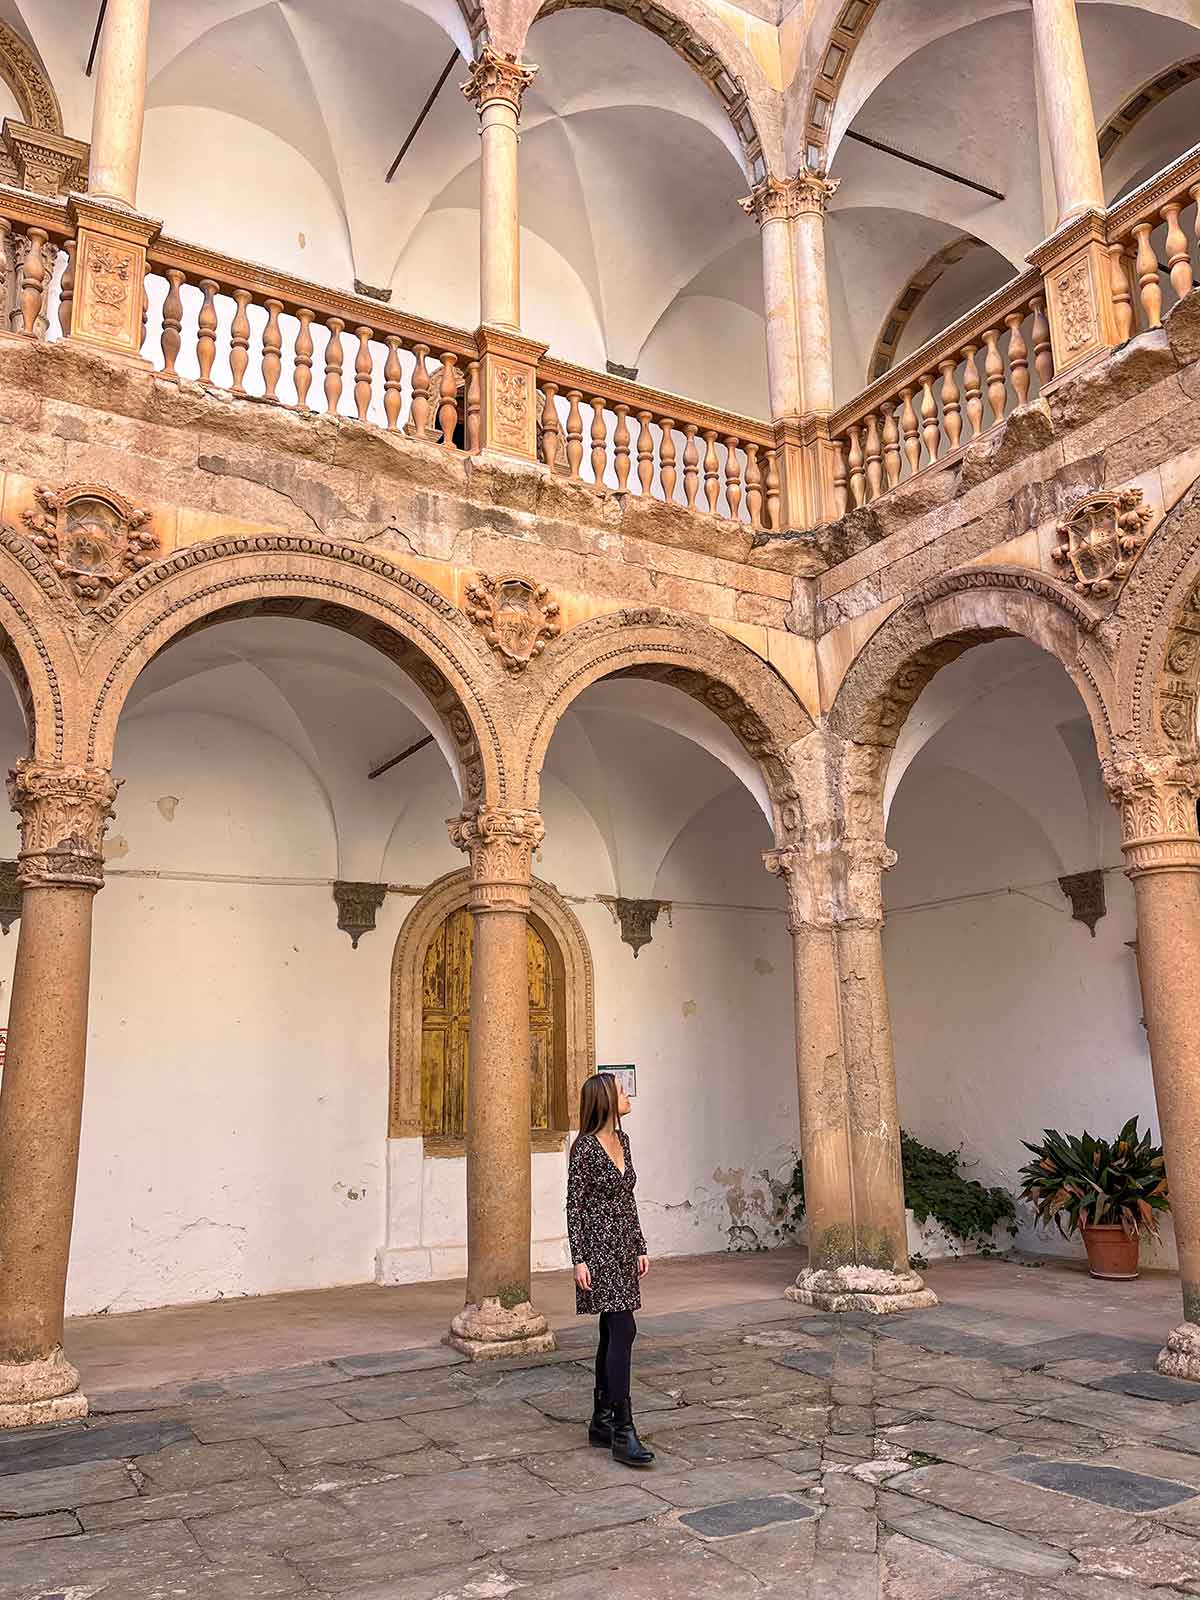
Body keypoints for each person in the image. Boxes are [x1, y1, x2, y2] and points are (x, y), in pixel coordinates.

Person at [565, 1072, 653, 1468]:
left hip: (622, 1249)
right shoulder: (584, 1148)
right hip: (598, 1252)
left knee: (610, 1329)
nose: (627, 1095)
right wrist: (579, 1258)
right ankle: (623, 1428)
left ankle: (601, 1421)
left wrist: (639, 1246)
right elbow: (575, 1206)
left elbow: (627, 1198)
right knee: (624, 1328)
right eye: (621, 1091)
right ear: (604, 1099)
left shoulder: (625, 1141)